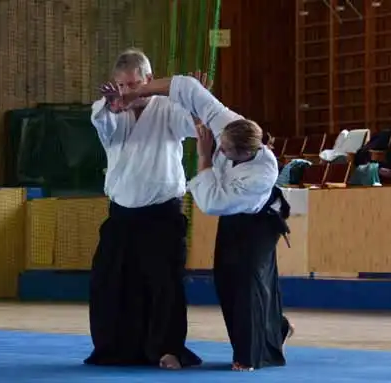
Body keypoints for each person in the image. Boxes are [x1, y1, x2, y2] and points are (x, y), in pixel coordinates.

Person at [117, 74, 294, 371]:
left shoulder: (260, 175)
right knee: (225, 278)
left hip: (259, 222)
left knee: (246, 281)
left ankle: (250, 356)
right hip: (233, 217)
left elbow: (211, 203)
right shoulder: (227, 122)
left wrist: (204, 157)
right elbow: (186, 86)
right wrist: (138, 92)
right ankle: (276, 329)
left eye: (225, 150)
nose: (219, 149)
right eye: (219, 145)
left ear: (247, 153)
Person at [85, 49, 203, 370]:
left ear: (150, 80)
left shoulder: (169, 108)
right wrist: (112, 105)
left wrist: (196, 100)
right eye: (121, 86)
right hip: (121, 215)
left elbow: (195, 126)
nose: (128, 92)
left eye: (134, 84)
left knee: (165, 285)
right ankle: (116, 348)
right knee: (109, 283)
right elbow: (103, 124)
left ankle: (167, 349)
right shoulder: (108, 109)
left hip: (161, 214)